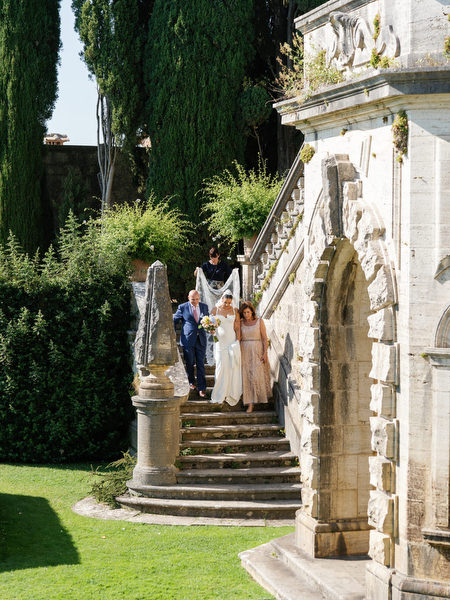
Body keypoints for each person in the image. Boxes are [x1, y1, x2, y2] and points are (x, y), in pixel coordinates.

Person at [173, 290, 209, 398]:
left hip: (201, 339)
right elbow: (174, 320)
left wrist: (210, 327)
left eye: (197, 299)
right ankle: (191, 382)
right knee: (189, 362)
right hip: (188, 339)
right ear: (189, 297)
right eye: (193, 299)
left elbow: (207, 320)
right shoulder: (182, 307)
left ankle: (202, 388)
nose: (195, 301)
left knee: (200, 364)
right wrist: (173, 332)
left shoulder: (204, 307)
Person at [210, 291, 242, 406]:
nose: (228, 304)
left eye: (229, 302)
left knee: (231, 366)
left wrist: (237, 341)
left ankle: (229, 392)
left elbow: (237, 327)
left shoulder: (235, 310)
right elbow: (211, 326)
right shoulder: (215, 310)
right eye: (225, 302)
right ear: (221, 299)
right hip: (220, 343)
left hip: (231, 341)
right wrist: (211, 330)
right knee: (220, 366)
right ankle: (219, 393)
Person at [240, 301, 271, 413]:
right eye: (244, 312)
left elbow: (264, 338)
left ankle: (258, 398)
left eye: (248, 312)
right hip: (244, 350)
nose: (246, 314)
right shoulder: (241, 322)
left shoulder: (259, 321)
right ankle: (250, 404)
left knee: (256, 375)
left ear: (252, 311)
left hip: (257, 350)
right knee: (247, 377)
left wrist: (265, 353)